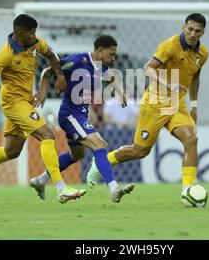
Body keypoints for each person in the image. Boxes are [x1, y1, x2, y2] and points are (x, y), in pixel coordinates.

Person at [0, 14, 86, 203]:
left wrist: (57, 77)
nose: (35, 36)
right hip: (13, 104)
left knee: (11, 151)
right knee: (47, 135)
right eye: (31, 33)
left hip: (26, 101)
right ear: (20, 33)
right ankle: (60, 188)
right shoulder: (4, 55)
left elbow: (52, 55)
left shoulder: (34, 43)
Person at [86, 13, 209, 202]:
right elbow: (148, 69)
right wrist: (170, 85)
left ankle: (187, 190)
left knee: (191, 140)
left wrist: (194, 104)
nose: (192, 33)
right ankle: (102, 162)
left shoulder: (203, 54)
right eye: (190, 29)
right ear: (184, 26)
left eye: (197, 31)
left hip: (177, 105)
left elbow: (196, 76)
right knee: (140, 151)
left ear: (202, 33)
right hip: (155, 103)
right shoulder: (170, 46)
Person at [29, 35, 135, 203]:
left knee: (76, 154)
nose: (113, 58)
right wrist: (43, 91)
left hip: (79, 115)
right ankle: (114, 188)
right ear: (100, 50)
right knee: (100, 144)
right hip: (70, 114)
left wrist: (120, 92)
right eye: (111, 54)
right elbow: (47, 71)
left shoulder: (101, 67)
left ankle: (40, 180)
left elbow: (111, 77)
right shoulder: (78, 61)